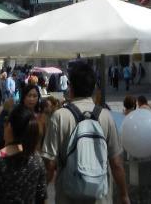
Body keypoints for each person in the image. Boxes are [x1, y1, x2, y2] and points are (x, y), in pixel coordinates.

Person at [42, 60, 130, 204]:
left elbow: (50, 164)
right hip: (100, 196)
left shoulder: (59, 116)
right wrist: (124, 195)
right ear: (94, 88)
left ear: (71, 88)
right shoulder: (106, 116)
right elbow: (116, 163)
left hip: (68, 195)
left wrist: (42, 192)